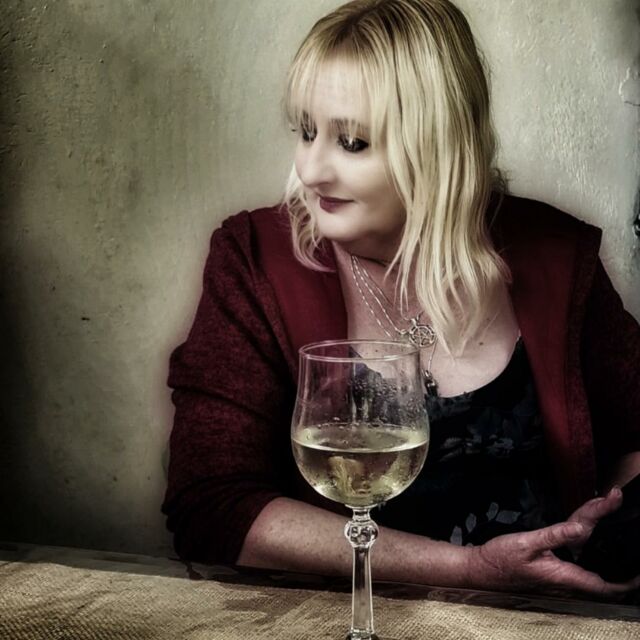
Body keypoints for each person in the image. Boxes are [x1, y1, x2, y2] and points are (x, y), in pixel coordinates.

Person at [162, 0, 640, 598]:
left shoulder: (557, 256)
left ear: (439, 145)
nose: (311, 170)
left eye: (352, 142)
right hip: (335, 622)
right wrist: (468, 569)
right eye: (306, 131)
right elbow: (210, 506)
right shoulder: (255, 259)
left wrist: (617, 524)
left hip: (540, 619)